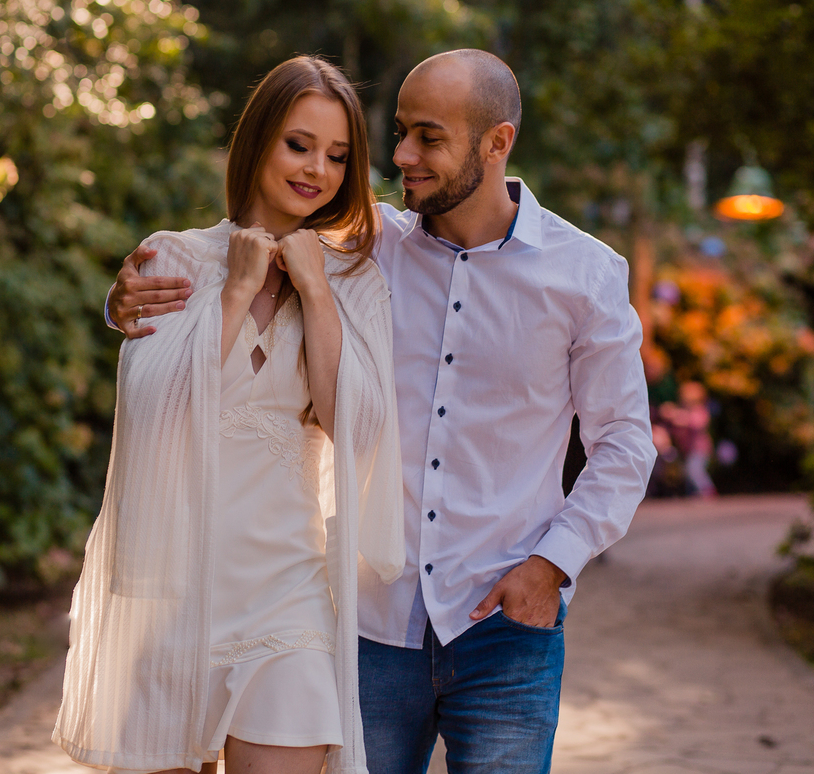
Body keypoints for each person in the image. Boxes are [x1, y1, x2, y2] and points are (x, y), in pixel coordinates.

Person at [106, 49, 656, 774]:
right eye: (399, 132)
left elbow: (623, 444)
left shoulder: (585, 274)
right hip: (368, 622)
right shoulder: (367, 251)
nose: (400, 156)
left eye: (428, 137)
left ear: (497, 143)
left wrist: (552, 567)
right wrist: (121, 306)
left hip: (503, 621)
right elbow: (233, 257)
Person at [53, 56, 405, 774]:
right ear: (258, 142)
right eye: (299, 144)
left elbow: (355, 428)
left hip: (289, 599)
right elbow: (153, 419)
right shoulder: (171, 256)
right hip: (166, 590)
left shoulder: (352, 280)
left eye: (339, 156)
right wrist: (237, 292)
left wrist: (315, 289)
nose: (318, 170)